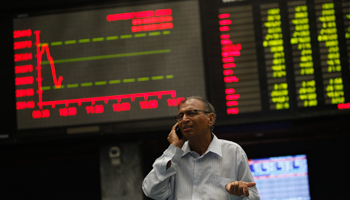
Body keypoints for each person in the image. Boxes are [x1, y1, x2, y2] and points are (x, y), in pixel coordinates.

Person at [142, 96, 260, 200]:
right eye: (180, 115)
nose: (184, 119)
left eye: (192, 113)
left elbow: (253, 197)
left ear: (210, 119)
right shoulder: (174, 157)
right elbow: (152, 191)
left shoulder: (233, 151)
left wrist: (236, 195)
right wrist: (174, 148)